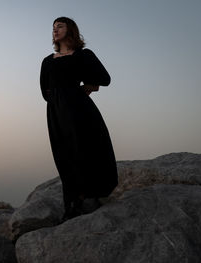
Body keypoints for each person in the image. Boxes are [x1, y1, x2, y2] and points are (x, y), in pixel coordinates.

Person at [40, 17, 118, 221]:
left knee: (85, 148)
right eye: (53, 28)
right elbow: (45, 91)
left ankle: (88, 196)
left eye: (60, 26)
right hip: (56, 113)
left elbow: (105, 79)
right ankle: (72, 202)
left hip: (80, 110)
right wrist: (59, 100)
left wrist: (89, 87)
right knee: (63, 154)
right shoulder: (48, 61)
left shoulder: (83, 55)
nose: (55, 30)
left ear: (70, 30)